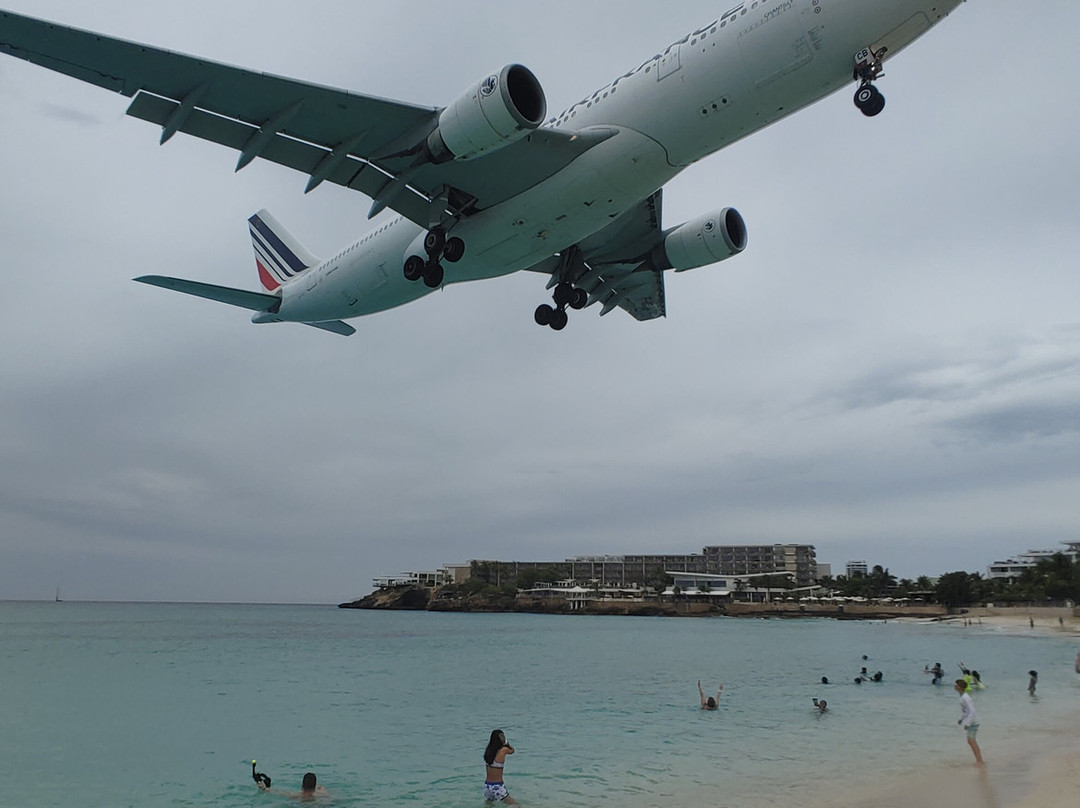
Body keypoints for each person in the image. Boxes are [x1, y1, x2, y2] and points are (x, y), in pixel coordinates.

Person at [955, 679, 984, 766]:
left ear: (960, 687)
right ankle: (979, 760)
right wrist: (961, 719)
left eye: (957, 685)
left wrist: (968, 723)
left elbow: (972, 711)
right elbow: (965, 711)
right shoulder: (962, 697)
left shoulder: (966, 698)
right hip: (971, 721)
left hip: (973, 722)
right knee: (971, 741)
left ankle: (979, 760)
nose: (955, 686)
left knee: (971, 741)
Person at [483, 729, 517, 804]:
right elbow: (512, 750)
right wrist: (506, 743)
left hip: (487, 786)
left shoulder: (488, 751)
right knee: (515, 805)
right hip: (497, 786)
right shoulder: (503, 750)